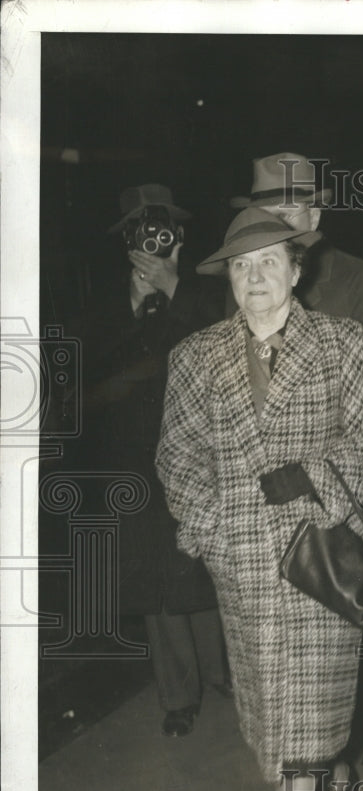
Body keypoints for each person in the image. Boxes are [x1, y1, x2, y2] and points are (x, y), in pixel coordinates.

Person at [156, 208, 363, 791]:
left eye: (268, 263)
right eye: (239, 265)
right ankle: (336, 768)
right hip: (245, 569)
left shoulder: (346, 345)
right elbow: (176, 459)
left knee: (303, 717)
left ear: (298, 270)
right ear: (227, 277)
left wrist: (313, 474)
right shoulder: (196, 358)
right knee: (280, 716)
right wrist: (212, 533)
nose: (254, 278)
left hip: (322, 559)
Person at [231, 152, 363, 767]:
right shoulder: (252, 274)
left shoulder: (359, 280)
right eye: (270, 208)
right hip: (274, 493)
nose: (284, 218)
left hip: (350, 479)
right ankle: (321, 759)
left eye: (295, 206)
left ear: (317, 211)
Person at [76, 183, 229, 738]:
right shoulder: (101, 307)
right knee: (155, 584)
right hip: (132, 465)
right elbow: (87, 383)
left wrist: (175, 287)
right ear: (125, 242)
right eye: (141, 232)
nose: (152, 241)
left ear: (180, 238)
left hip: (196, 455)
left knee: (205, 568)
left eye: (162, 231)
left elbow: (224, 353)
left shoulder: (207, 296)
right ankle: (178, 695)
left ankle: (223, 674)